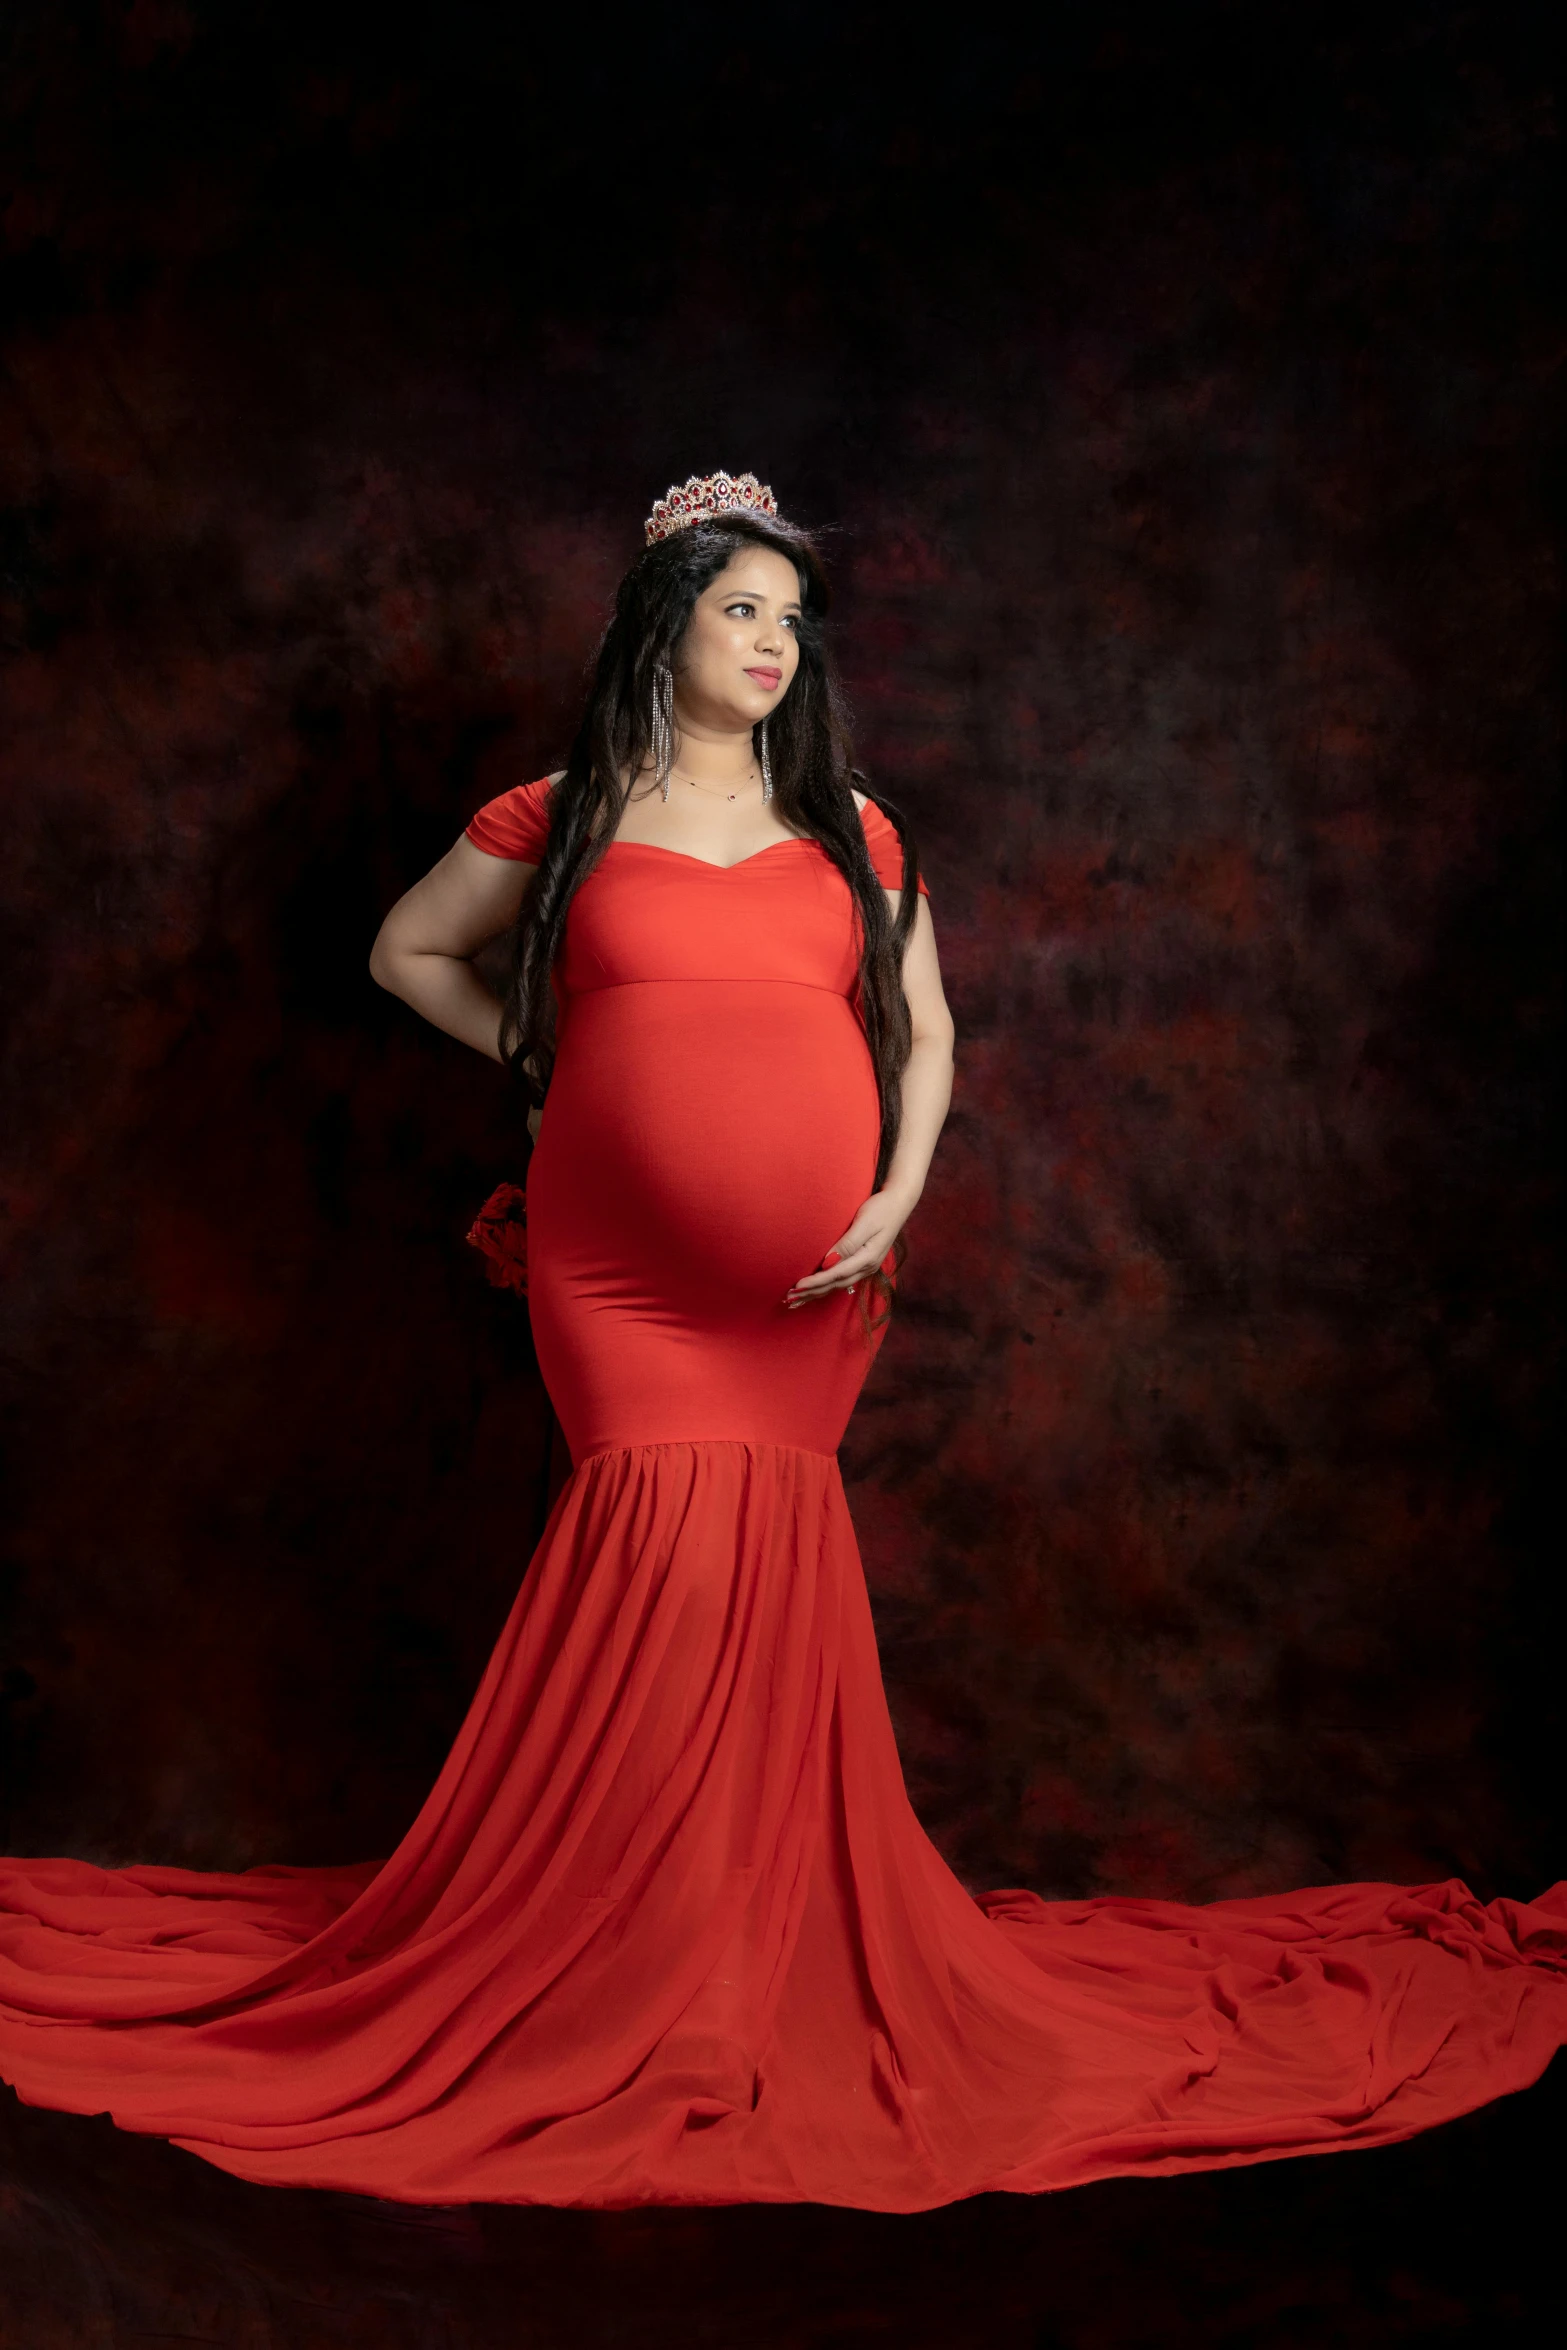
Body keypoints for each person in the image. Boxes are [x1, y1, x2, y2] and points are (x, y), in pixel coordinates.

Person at [1, 474, 1562, 2212]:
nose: (771, 640)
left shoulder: (853, 825)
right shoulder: (566, 811)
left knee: (762, 1579)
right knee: (651, 1574)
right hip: (619, 1282)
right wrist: (544, 1069)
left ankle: (741, 1964)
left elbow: (927, 1026)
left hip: (811, 1287)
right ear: (660, 622)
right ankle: (621, 1970)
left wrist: (897, 1193)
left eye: (785, 616)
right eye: (739, 606)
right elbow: (404, 951)